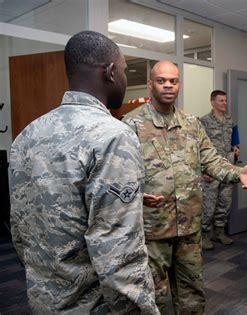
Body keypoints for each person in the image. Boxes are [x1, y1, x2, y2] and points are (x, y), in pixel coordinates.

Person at [9, 31, 158, 314]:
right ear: (111, 72)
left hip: (44, 299)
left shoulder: (27, 134)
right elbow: (119, 253)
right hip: (93, 305)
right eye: (125, 71)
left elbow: (20, 229)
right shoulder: (113, 136)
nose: (126, 79)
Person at [122, 60, 247, 314]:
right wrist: (136, 195)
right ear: (150, 84)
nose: (168, 85)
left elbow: (210, 160)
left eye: (173, 81)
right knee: (152, 296)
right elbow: (119, 175)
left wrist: (237, 172)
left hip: (188, 226)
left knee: (192, 292)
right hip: (153, 229)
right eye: (161, 80)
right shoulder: (130, 125)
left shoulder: (191, 123)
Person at [200, 90, 239, 250]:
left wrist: (236, 149)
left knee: (225, 202)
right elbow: (198, 147)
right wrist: (203, 170)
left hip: (228, 167)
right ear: (212, 102)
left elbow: (235, 140)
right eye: (221, 101)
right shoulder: (204, 121)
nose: (225, 103)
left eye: (225, 100)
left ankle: (219, 232)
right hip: (212, 169)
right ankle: (204, 235)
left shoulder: (230, 121)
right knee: (209, 204)